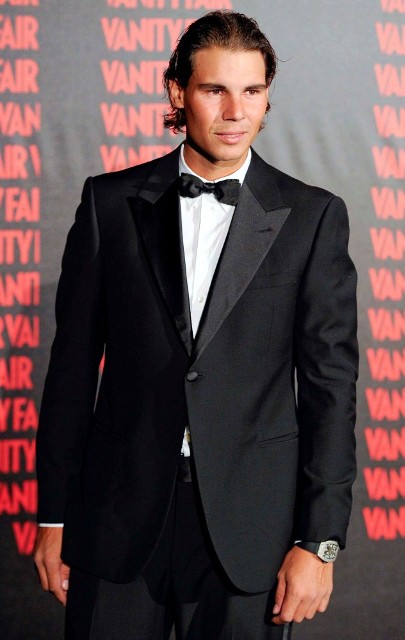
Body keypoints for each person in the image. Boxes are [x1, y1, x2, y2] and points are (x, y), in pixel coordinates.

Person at [34, 10, 358, 640]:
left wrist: (319, 542)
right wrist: (54, 516)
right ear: (178, 92)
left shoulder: (313, 217)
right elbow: (71, 372)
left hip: (252, 532)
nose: (236, 111)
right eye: (215, 90)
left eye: (253, 91)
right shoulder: (108, 204)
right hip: (117, 519)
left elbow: (331, 390)